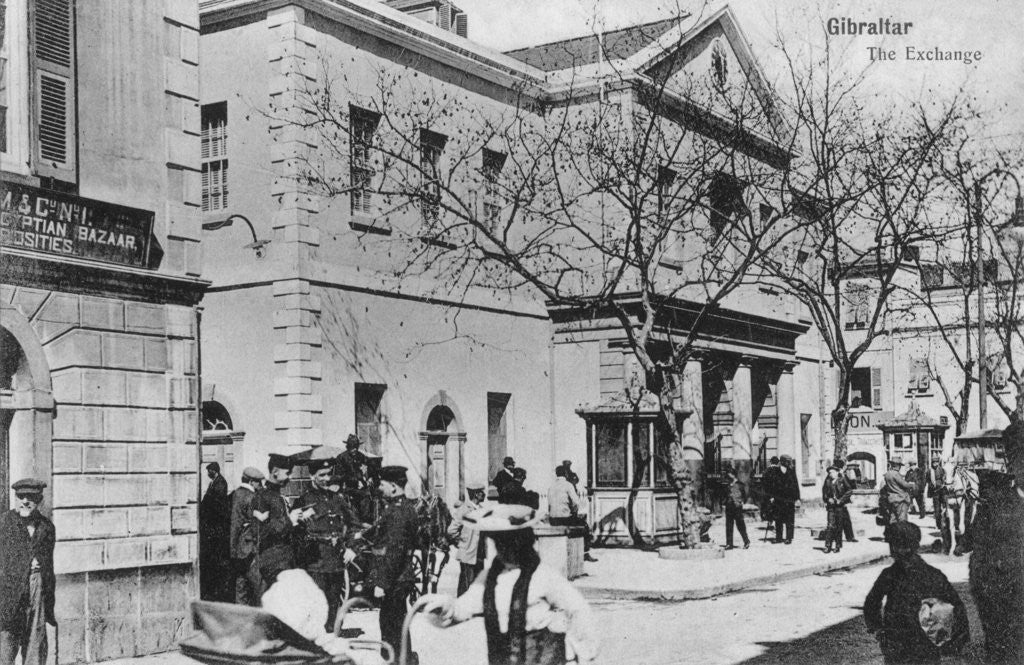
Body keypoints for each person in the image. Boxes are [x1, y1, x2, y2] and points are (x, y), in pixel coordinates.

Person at [421, 504, 598, 665]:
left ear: (523, 542)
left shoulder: (542, 575)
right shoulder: (490, 577)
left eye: (509, 543)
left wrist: (583, 651)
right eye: (499, 543)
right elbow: (464, 607)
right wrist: (443, 607)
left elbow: (578, 608)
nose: (503, 550)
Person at [864, 521, 968, 664]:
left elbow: (871, 603)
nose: (897, 550)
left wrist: (879, 630)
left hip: (905, 646)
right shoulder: (933, 574)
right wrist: (954, 642)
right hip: (918, 646)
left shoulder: (890, 575)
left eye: (898, 546)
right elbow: (958, 607)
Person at [293, 448, 362, 629]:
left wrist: (352, 548)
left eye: (328, 475)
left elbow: (355, 525)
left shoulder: (337, 499)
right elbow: (296, 534)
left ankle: (332, 637)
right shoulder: (303, 500)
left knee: (334, 606)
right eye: (321, 475)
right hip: (315, 563)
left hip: (336, 561)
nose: (326, 479)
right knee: (316, 607)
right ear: (312, 476)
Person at [363, 465, 419, 661]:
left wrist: (381, 583)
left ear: (394, 487)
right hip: (401, 577)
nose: (380, 487)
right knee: (398, 624)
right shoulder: (406, 508)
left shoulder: (396, 512)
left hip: (395, 579)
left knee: (391, 627)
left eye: (383, 484)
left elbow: (393, 552)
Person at [0, 479, 56, 665]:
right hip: (9, 590)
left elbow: (49, 567)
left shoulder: (46, 527)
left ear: (39, 500)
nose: (25, 501)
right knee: (5, 644)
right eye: (21, 497)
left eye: (30, 497)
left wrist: (49, 600)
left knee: (35, 641)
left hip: (37, 586)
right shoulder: (5, 523)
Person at [253, 453, 302, 592]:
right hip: (273, 563)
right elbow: (260, 532)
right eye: (288, 473)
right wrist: (289, 520)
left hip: (285, 561)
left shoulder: (277, 496)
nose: (290, 477)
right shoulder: (261, 497)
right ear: (275, 472)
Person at [547, 465, 597, 563]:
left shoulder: (551, 486)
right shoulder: (568, 485)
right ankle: (585, 553)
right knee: (584, 526)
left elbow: (549, 505)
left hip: (553, 519)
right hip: (565, 519)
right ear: (565, 474)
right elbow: (576, 502)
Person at [229, 466, 264, 605]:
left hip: (239, 550)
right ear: (251, 482)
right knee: (259, 588)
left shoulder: (235, 494)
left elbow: (235, 525)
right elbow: (257, 524)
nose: (260, 486)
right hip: (251, 549)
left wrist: (233, 551)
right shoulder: (252, 497)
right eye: (258, 482)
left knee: (241, 588)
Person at [200, 462, 232, 601]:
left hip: (216, 523)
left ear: (214, 470)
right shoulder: (214, 481)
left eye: (209, 471)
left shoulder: (220, 482)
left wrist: (206, 501)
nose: (208, 473)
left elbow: (216, 502)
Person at [448, 482, 488, 595]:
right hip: (467, 554)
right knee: (466, 585)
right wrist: (461, 542)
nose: (484, 494)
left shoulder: (481, 510)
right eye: (481, 492)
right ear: (476, 494)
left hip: (479, 554)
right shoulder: (464, 510)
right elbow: (451, 530)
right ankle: (461, 609)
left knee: (478, 586)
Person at [821, 464, 851, 553]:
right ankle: (828, 546)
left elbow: (849, 491)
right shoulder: (827, 482)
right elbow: (824, 493)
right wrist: (827, 499)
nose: (831, 474)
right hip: (831, 507)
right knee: (830, 526)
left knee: (839, 526)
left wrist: (841, 500)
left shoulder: (842, 480)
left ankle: (837, 545)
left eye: (833, 472)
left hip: (840, 507)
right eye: (829, 473)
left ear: (837, 472)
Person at [773, 455, 800, 544]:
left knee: (789, 519)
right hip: (778, 499)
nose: (789, 463)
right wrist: (771, 496)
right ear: (783, 462)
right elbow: (772, 485)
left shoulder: (791, 471)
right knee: (778, 519)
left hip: (789, 499)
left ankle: (789, 537)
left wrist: (797, 498)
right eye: (788, 461)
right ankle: (779, 537)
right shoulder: (775, 471)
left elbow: (795, 485)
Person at [723, 467, 750, 550]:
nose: (728, 476)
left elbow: (745, 495)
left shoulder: (740, 485)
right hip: (729, 507)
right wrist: (725, 502)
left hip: (737, 507)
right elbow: (724, 496)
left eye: (729, 474)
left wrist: (741, 502)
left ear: (733, 475)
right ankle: (729, 543)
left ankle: (746, 541)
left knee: (740, 525)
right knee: (729, 526)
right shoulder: (727, 485)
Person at [883, 459, 914, 526]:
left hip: (891, 499)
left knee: (893, 519)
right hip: (900, 499)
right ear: (897, 466)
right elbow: (904, 485)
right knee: (902, 520)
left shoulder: (887, 474)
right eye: (899, 465)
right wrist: (912, 484)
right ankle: (902, 535)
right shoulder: (896, 474)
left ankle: (893, 535)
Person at [925, 455, 947, 531]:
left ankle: (945, 523)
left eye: (936, 462)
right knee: (937, 510)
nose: (935, 463)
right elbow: (927, 480)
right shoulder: (929, 471)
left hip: (942, 491)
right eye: (933, 462)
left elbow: (944, 479)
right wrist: (932, 486)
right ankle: (938, 525)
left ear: (938, 462)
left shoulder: (942, 470)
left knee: (945, 508)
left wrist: (942, 484)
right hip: (935, 492)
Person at [841, 465, 859, 543]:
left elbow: (849, 488)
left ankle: (850, 537)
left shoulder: (843, 477)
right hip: (834, 503)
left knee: (846, 520)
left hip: (842, 502)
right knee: (834, 522)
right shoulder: (830, 478)